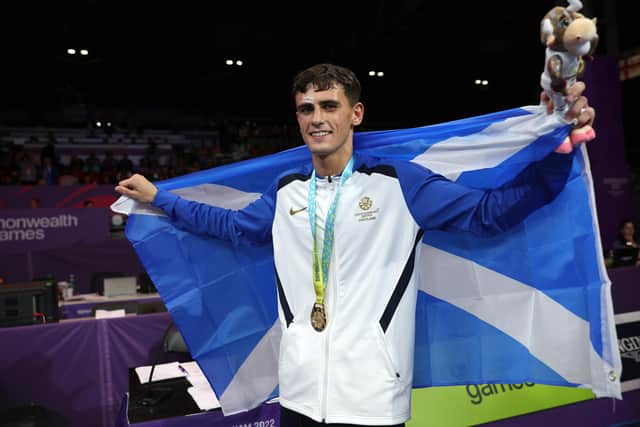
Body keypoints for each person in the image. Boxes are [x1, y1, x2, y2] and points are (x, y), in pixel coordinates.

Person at [115, 64, 595, 426]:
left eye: (329, 107)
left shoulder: (398, 184)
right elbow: (231, 227)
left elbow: (489, 214)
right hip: (300, 395)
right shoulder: (287, 192)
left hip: (373, 400)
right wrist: (161, 198)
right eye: (306, 109)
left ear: (355, 114)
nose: (316, 119)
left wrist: (555, 154)